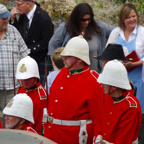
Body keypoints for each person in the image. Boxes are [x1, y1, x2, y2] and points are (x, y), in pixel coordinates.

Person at [43, 35, 103, 144]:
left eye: (67, 56)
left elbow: (98, 118)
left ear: (79, 58)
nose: (63, 59)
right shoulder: (63, 73)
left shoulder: (94, 80)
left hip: (74, 138)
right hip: (52, 135)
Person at [106, 3, 144, 143]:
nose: (132, 20)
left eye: (134, 16)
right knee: (119, 109)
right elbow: (107, 52)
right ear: (122, 19)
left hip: (138, 78)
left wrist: (135, 63)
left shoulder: (143, 33)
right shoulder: (116, 33)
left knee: (138, 111)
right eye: (128, 17)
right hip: (118, 78)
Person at [48, 2, 115, 73]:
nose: (86, 22)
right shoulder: (65, 27)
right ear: (76, 18)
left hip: (93, 75)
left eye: (89, 19)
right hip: (69, 74)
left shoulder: (99, 27)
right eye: (83, 20)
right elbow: (52, 45)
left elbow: (117, 31)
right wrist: (56, 68)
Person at [93, 60, 142, 144]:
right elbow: (101, 123)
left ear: (114, 86)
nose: (101, 85)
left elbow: (124, 140)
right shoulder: (110, 97)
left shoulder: (131, 107)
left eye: (105, 83)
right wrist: (98, 137)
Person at [10, 0, 54, 86]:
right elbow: (19, 35)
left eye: (19, 5)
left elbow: (46, 43)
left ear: (28, 4)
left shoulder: (43, 18)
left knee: (39, 91)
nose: (16, 8)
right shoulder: (23, 15)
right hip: (28, 59)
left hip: (40, 60)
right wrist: (13, 20)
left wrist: (26, 51)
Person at [0, 4, 29, 127]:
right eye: (3, 18)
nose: (7, 20)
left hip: (12, 88)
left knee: (10, 121)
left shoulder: (13, 32)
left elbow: (26, 57)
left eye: (7, 17)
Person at [15, 56, 47, 135]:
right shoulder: (21, 89)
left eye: (27, 78)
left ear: (35, 77)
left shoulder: (42, 96)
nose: (24, 81)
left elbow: (37, 126)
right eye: (21, 78)